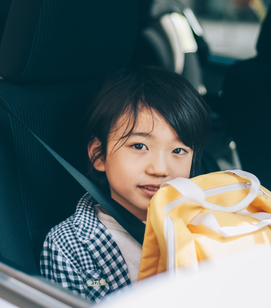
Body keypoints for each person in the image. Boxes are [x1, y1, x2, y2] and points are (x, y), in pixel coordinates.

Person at [39, 67, 210, 302]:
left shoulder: (211, 220)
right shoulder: (71, 246)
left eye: (178, 150)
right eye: (139, 146)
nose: (159, 169)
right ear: (100, 155)